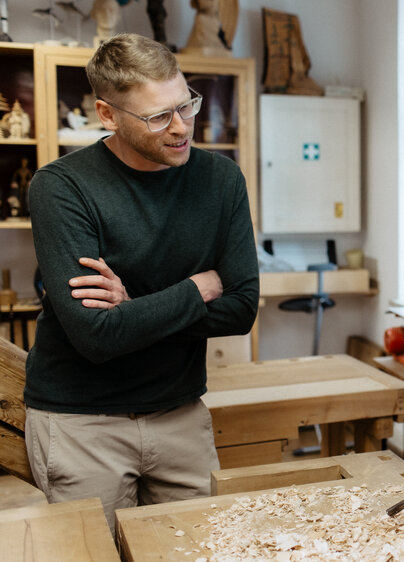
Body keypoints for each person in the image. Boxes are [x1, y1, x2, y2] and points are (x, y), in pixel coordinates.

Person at [24, 33, 259, 531]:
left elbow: (242, 310)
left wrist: (134, 307)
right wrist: (196, 289)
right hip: (81, 424)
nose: (180, 128)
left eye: (185, 106)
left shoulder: (221, 179)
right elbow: (96, 336)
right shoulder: (61, 186)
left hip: (181, 413)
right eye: (157, 117)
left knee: (201, 548)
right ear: (107, 115)